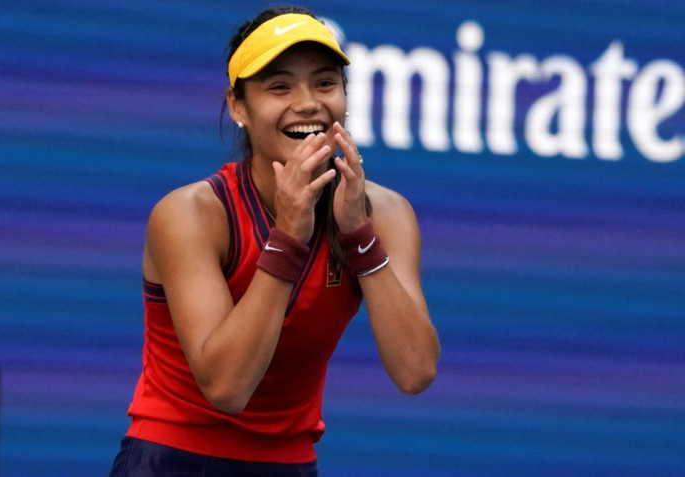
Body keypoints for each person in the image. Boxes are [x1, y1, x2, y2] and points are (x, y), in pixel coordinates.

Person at [109, 5, 439, 476]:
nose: (307, 103)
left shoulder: (383, 214)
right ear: (238, 106)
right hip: (171, 460)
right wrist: (288, 236)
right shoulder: (191, 214)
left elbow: (415, 372)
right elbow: (226, 387)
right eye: (279, 86)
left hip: (290, 464)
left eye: (325, 83)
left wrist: (359, 235)